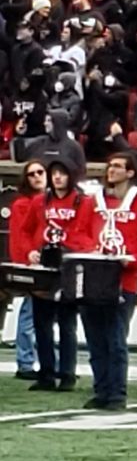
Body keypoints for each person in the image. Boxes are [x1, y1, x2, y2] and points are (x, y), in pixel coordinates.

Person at [81, 152, 137, 411]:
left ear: (130, 172)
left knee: (116, 340)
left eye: (117, 166)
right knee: (95, 339)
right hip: (93, 279)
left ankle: (117, 394)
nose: (110, 170)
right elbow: (78, 233)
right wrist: (93, 249)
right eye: (109, 165)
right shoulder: (92, 202)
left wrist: (133, 259)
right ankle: (100, 390)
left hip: (124, 281)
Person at [25, 156, 94, 392]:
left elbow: (89, 234)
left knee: (67, 324)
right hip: (43, 270)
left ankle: (67, 373)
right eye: (53, 172)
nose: (56, 177)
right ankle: (45, 373)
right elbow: (24, 231)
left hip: (69, 269)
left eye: (62, 173)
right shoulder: (39, 202)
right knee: (41, 323)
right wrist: (30, 252)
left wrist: (69, 247)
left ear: (71, 176)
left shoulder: (84, 202)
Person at [8, 160, 44, 382]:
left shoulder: (49, 202)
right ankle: (25, 361)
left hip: (47, 261)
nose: (37, 176)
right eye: (32, 174)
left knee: (41, 315)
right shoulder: (23, 204)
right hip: (34, 263)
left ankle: (41, 360)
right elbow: (21, 235)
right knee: (30, 313)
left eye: (40, 172)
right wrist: (27, 258)